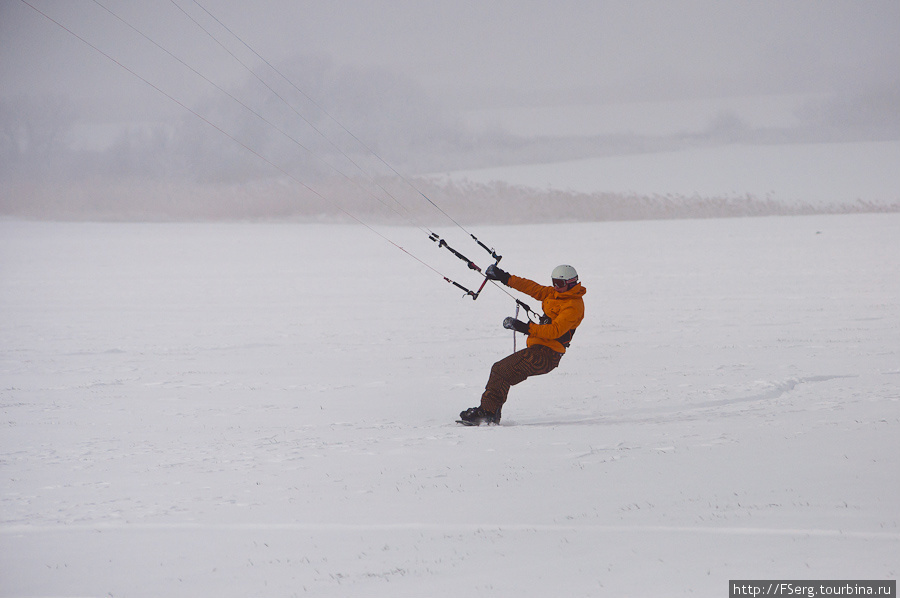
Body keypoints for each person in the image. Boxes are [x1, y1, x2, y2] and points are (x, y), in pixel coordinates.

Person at [458, 264, 586, 425]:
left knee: (501, 370)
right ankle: (490, 414)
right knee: (502, 372)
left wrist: (524, 327)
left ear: (571, 282)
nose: (555, 287)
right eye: (554, 282)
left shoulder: (573, 306)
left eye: (559, 284)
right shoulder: (554, 294)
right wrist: (505, 277)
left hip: (547, 355)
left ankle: (487, 413)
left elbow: (555, 331)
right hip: (537, 349)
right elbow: (531, 287)